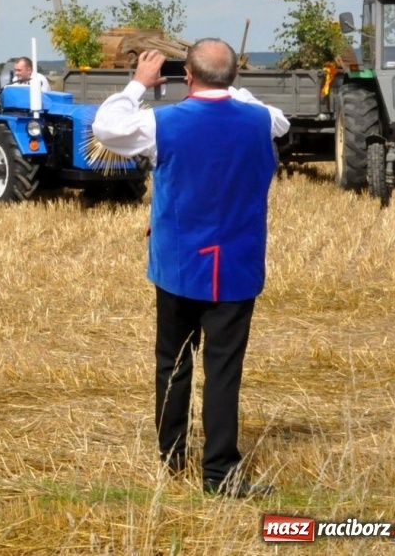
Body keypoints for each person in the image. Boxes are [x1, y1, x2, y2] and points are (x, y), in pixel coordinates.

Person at [92, 42, 289, 498]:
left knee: (173, 363)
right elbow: (265, 113)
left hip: (180, 264)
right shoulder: (264, 120)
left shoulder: (163, 122)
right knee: (223, 371)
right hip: (237, 267)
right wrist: (230, 85)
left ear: (186, 75)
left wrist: (138, 84)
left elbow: (106, 128)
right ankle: (219, 472)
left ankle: (172, 456)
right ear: (234, 77)